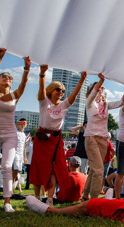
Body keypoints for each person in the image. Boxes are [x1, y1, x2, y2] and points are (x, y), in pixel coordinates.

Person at [30, 65, 86, 206]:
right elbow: (41, 91)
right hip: (42, 138)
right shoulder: (44, 103)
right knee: (37, 168)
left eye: (63, 91)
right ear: (51, 91)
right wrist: (42, 75)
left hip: (55, 140)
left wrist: (81, 81)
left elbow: (73, 98)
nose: (61, 92)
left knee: (54, 169)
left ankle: (50, 199)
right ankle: (37, 198)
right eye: (58, 90)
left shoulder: (63, 105)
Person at [82, 74, 124, 201]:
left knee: (94, 169)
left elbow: (121, 102)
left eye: (103, 88)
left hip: (103, 139)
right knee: (99, 170)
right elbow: (93, 94)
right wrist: (101, 80)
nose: (101, 89)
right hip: (91, 137)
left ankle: (85, 196)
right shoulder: (89, 103)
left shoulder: (105, 104)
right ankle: (94, 199)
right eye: (99, 88)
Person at [0, 48, 30, 212]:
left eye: (10, 77)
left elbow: (24, 84)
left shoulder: (13, 96)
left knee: (6, 167)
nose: (8, 79)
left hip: (9, 135)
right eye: (4, 76)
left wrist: (26, 69)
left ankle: (7, 203)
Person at [12, 118, 28, 192]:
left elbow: (24, 146)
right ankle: (10, 189)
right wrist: (16, 126)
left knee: (16, 173)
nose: (23, 125)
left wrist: (25, 157)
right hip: (15, 154)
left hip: (21, 155)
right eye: (22, 123)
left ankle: (11, 188)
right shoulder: (15, 132)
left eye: (24, 123)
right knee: (13, 171)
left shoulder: (24, 134)